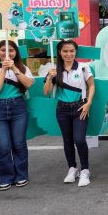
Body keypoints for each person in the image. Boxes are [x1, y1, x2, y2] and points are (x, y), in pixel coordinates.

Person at [43, 39, 95, 187]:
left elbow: (91, 86)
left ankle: (85, 170)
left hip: (80, 107)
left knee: (79, 139)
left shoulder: (83, 67)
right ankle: (72, 168)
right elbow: (46, 92)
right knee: (67, 140)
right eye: (65, 51)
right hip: (62, 109)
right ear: (60, 52)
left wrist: (88, 103)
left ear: (75, 52)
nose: (68, 54)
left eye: (71, 51)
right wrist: (49, 79)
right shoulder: (54, 70)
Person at [0, 40, 34, 190]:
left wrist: (13, 68)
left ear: (15, 52)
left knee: (19, 144)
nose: (7, 53)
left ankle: (21, 175)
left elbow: (29, 84)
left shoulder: (23, 68)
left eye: (11, 50)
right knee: (3, 146)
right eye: (3, 50)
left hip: (18, 107)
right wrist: (4, 70)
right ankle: (5, 177)